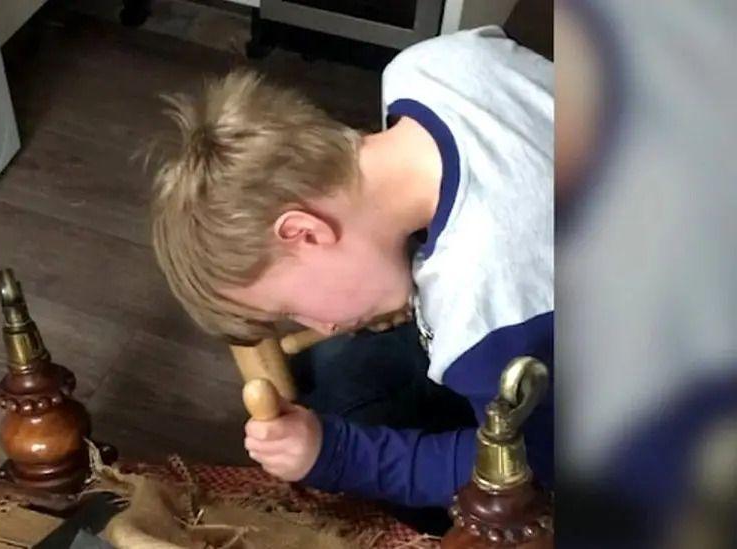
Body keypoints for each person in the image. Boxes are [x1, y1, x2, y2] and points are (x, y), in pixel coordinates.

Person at [149, 25, 554, 511]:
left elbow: (530, 474)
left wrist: (336, 455)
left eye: (291, 307)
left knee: (339, 407)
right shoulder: (430, 67)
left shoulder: (486, 314)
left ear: (305, 232)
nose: (321, 325)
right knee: (329, 367)